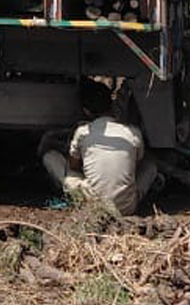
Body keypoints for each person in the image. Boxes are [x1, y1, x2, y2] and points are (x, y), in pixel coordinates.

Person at [40, 81, 158, 216]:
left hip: (94, 206)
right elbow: (136, 165)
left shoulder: (83, 132)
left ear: (86, 111)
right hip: (127, 207)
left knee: (50, 158)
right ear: (111, 104)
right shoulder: (133, 132)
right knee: (150, 166)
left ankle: (68, 194)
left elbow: (74, 166)